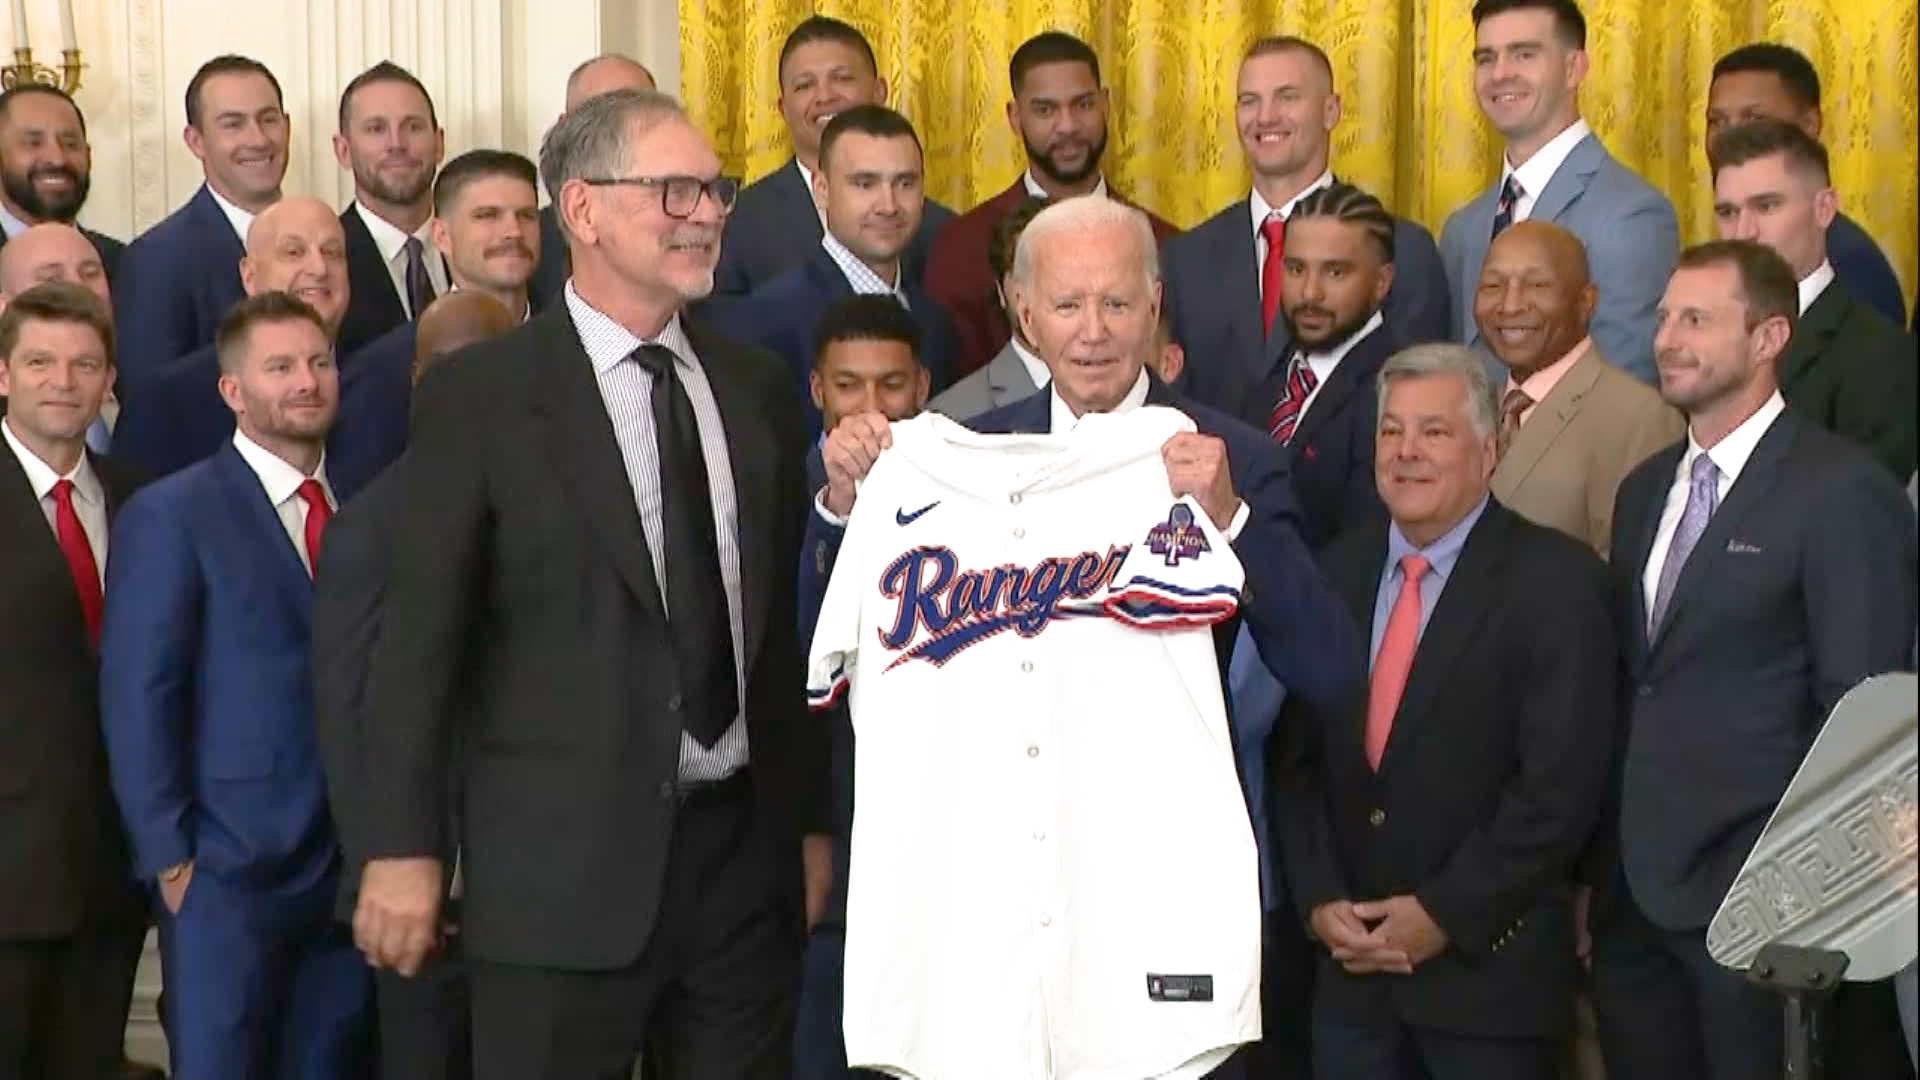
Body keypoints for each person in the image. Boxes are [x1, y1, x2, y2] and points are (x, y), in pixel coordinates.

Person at [807, 190, 1358, 1080]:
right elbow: (826, 656)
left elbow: (1329, 667)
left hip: (1151, 901)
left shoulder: (1225, 456)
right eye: (1067, 305)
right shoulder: (951, 459)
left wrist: (1232, 520)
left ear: (1154, 306)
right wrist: (843, 509)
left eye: (1116, 303)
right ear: (1023, 313)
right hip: (983, 926)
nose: (1093, 331)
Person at [351, 89, 830, 1080]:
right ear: (583, 213)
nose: (707, 213)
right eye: (677, 191)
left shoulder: (758, 392)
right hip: (557, 883)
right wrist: (401, 849)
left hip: (742, 874)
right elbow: (419, 645)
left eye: (716, 190)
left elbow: (775, 633)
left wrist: (811, 822)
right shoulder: (481, 398)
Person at [1589, 240, 1917, 1080]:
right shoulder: (1643, 490)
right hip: (1634, 896)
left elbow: (1861, 715)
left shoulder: (1841, 489)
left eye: (1696, 320)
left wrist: (1796, 891)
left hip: (1764, 906)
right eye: (1664, 318)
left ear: (1770, 337)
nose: (1667, 339)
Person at [1272, 342, 1616, 1080]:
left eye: (1434, 431)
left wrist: (1441, 914)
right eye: (1391, 431)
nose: (1406, 452)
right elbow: (1295, 761)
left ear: (1489, 451)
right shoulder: (1334, 570)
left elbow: (1559, 792)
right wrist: (1320, 899)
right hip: (1350, 990)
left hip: (1488, 995)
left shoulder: (1560, 584)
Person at [101, 290, 372, 1080]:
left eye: (319, 363)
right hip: (224, 875)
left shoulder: (364, 509)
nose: (306, 382)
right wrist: (172, 862)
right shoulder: (171, 514)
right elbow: (139, 693)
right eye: (280, 367)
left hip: (349, 872)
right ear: (232, 390)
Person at [314, 291, 515, 1080]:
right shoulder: (375, 520)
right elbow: (349, 714)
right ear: (417, 381)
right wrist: (392, 856)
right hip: (425, 898)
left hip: (548, 899)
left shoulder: (552, 498)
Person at [0, 283, 148, 1080]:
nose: (62, 380)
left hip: (111, 871)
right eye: (40, 362)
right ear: (3, 375)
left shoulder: (144, 499)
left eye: (83, 364)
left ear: (108, 380)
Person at [791, 293, 928, 1080]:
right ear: (817, 390)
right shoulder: (782, 476)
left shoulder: (966, 491)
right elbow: (796, 664)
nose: (870, 410)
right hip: (826, 838)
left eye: (891, 386)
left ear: (924, 388)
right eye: (849, 386)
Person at [1166, 36, 1450, 412]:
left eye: (1287, 97)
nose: (1265, 116)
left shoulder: (1404, 248)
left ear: (1331, 111)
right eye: (1249, 101)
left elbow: (1422, 399)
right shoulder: (1185, 258)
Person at [1439, 0, 1678, 383]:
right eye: (1485, 58)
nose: (1500, 74)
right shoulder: (1461, 228)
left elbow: (1624, 399)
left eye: (1524, 54)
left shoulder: (1631, 214)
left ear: (1574, 69)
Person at [923, 30, 1179, 379]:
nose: (1068, 126)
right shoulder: (961, 248)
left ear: (1105, 104)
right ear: (1015, 117)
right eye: (1045, 110)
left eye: (1083, 104)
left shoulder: (1164, 243)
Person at [732, 105, 959, 438]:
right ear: (822, 189)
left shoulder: (935, 320)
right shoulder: (764, 322)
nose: (888, 205)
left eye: (905, 183)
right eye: (865, 183)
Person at [1709, 118, 1917, 481]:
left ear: (1824, 209)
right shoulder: (1695, 335)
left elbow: (1862, 509)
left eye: (1767, 206)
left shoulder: (1879, 355)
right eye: (1728, 212)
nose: (1743, 233)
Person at [330, 149, 543, 495]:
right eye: (487, 216)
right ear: (441, 236)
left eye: (527, 215)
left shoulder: (577, 344)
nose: (513, 231)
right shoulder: (380, 372)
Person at [110, 197, 352, 485]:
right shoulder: (168, 404)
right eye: (293, 252)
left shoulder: (382, 377)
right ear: (249, 276)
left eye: (332, 252)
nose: (319, 268)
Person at [715, 16, 953, 300]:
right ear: (783, 107)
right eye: (804, 85)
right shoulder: (737, 225)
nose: (824, 96)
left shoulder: (946, 233)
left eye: (842, 78)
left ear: (880, 92)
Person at [1480, 221, 1682, 555]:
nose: (1510, 305)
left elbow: (1627, 574)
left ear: (1586, 301)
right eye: (1492, 285)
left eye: (1537, 285)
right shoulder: (1475, 405)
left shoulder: (1638, 417)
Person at [112, 55, 289, 384]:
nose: (258, 139)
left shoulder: (326, 243)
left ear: (287, 125)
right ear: (196, 141)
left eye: (268, 119)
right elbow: (151, 398)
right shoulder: (156, 259)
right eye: (233, 124)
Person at [1707, 42, 1906, 327]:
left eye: (1753, 118)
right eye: (1717, 121)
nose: (1731, 135)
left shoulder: (1850, 266)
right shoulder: (1726, 260)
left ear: (1810, 124)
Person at [332, 61, 448, 356]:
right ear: (343, 151)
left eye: (413, 126)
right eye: (376, 129)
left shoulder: (474, 246)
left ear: (439, 144)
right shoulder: (325, 261)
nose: (396, 144)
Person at [530, 54, 657, 309]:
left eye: (638, 112)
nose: (621, 130)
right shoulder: (531, 241)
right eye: (600, 117)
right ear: (564, 128)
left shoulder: (699, 227)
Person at [925, 194, 1048, 420]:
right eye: (1025, 273)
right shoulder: (949, 420)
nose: (1048, 290)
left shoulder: (1129, 400)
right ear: (1001, 292)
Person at [0, 86, 125, 281]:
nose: (57, 159)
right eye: (33, 143)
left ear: (89, 157)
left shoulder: (126, 264)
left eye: (70, 144)